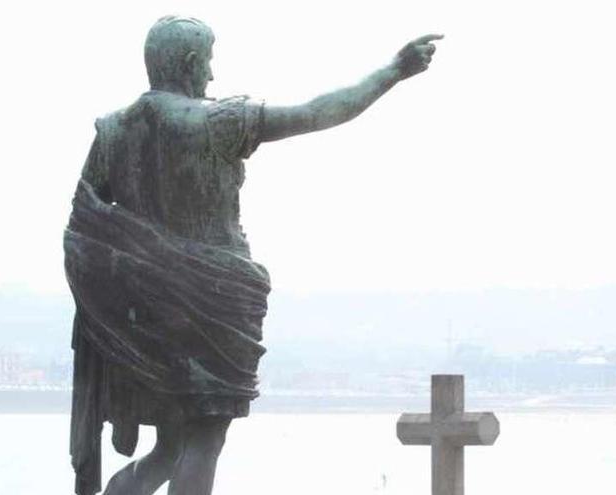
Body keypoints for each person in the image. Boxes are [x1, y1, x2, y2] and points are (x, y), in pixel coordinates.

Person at [64, 15, 442, 495]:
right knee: (204, 437)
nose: (212, 77)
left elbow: (83, 225)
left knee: (169, 445)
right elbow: (317, 112)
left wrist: (117, 301)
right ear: (188, 63)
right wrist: (392, 72)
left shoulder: (114, 130)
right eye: (208, 63)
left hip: (141, 319)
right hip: (214, 302)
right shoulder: (220, 121)